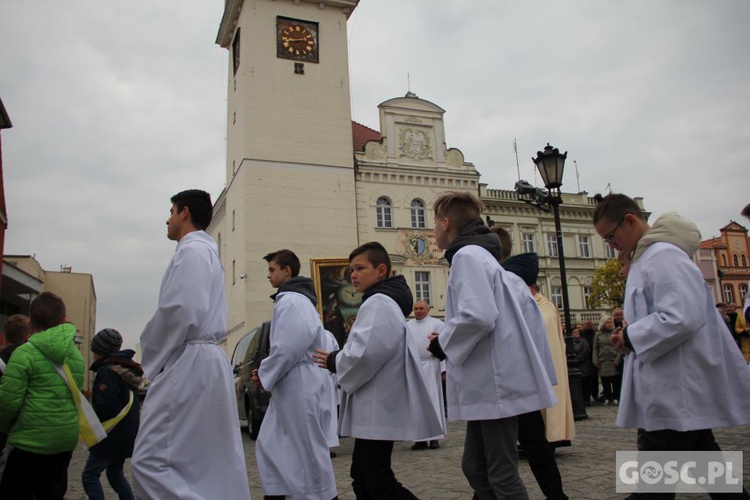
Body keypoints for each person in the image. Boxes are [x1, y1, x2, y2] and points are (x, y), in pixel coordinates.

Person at [593, 194, 750, 499]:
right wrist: (629, 337)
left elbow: (680, 316)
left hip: (675, 388)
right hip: (670, 389)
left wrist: (632, 336)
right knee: (708, 471)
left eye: (611, 237)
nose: (611, 246)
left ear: (630, 220)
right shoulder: (647, 258)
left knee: (654, 485)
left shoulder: (662, 256)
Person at [427, 192, 556, 499]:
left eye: (433, 223)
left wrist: (442, 343)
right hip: (491, 381)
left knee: (500, 472)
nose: (432, 231)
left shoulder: (468, 257)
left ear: (446, 223)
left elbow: (479, 315)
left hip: (494, 382)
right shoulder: (480, 257)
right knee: (475, 466)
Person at [132, 189, 250, 500]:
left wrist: (151, 359)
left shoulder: (192, 251)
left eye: (171, 211)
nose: (167, 219)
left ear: (185, 212)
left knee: (149, 459)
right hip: (205, 359)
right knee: (208, 459)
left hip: (190, 358)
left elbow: (182, 310)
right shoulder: (204, 252)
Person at [313, 242, 441, 499]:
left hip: (377, 405)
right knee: (363, 476)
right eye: (351, 270)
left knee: (375, 479)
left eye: (360, 268)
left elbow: (367, 352)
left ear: (381, 270)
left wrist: (335, 360)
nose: (353, 275)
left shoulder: (379, 303)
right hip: (378, 402)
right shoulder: (382, 301)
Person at [252, 249, 337, 500]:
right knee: (271, 444)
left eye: (272, 270)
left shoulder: (292, 301)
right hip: (291, 381)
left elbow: (289, 346)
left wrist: (265, 373)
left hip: (300, 382)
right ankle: (276, 492)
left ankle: (324, 496)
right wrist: (268, 372)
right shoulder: (290, 300)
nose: (268, 275)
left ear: (286, 271)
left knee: (307, 447)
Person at [0, 292, 85, 499]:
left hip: (28, 443)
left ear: (30, 323)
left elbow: (8, 402)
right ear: (63, 320)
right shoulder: (75, 355)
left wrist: (5, 430)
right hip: (63, 442)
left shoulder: (24, 353)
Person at [500, 251, 570, 500]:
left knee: (506, 454)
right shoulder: (523, 302)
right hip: (519, 383)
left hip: (517, 384)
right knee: (501, 454)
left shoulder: (538, 306)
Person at [83, 328, 143, 500]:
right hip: (125, 435)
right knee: (115, 474)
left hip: (110, 435)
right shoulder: (126, 370)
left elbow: (104, 406)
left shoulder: (107, 371)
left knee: (90, 475)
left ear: (98, 349)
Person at [406, 300, 446, 450]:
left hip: (431, 366)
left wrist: (443, 369)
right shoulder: (408, 326)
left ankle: (435, 437)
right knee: (417, 402)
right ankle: (420, 438)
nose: (418, 311)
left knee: (433, 401)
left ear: (428, 309)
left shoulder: (437, 324)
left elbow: (443, 346)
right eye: (416, 309)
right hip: (415, 367)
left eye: (421, 308)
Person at [0, 314, 31, 476]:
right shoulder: (33, 361)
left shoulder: (2, 360)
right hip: (25, 436)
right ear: (28, 337)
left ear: (5, 337)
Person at [592, 316, 621, 406]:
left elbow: (620, 346)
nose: (609, 324)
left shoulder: (615, 333)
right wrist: (595, 360)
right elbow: (595, 347)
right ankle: (607, 397)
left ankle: (616, 397)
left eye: (610, 322)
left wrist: (618, 359)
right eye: (607, 323)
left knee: (615, 381)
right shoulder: (598, 334)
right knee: (605, 381)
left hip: (613, 359)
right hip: (603, 360)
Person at [570, 328, 594, 405]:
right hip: (575, 366)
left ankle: (586, 399)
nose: (576, 333)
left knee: (585, 384)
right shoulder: (570, 342)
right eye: (574, 332)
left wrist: (576, 359)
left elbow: (586, 351)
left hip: (584, 365)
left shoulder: (584, 341)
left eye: (577, 332)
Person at [579, 319, 598, 401]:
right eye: (585, 323)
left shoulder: (594, 333)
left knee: (594, 377)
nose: (587, 325)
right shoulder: (581, 334)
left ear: (591, 324)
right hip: (584, 360)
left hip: (593, 357)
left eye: (588, 323)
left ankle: (595, 393)